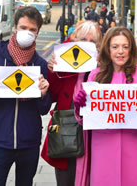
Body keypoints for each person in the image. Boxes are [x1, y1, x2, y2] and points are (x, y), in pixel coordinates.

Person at [0, 6, 52, 186]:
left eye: (32, 30)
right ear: (14, 28)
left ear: (38, 32)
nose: (27, 33)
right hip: (0, 139)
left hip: (29, 141)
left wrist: (43, 94)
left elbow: (44, 109)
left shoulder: (40, 64)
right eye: (23, 28)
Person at [74, 27, 137, 186]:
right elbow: (84, 120)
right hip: (103, 149)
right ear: (107, 49)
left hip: (135, 149)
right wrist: (80, 108)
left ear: (131, 49)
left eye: (125, 47)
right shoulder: (95, 75)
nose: (120, 51)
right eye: (115, 47)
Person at [41, 20, 102, 186]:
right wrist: (53, 71)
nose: (87, 45)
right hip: (67, 125)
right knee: (66, 178)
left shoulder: (104, 65)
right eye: (83, 40)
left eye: (92, 41)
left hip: (94, 128)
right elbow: (52, 94)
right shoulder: (64, 60)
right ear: (75, 40)